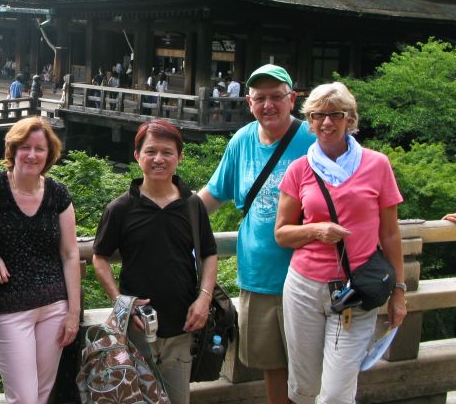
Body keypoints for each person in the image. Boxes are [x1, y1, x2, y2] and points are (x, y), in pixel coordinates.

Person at [275, 82, 406, 404]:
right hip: (304, 287)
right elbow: (282, 233)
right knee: (304, 386)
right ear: (310, 121)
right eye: (318, 115)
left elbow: (389, 233)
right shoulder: (299, 169)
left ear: (351, 120)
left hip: (356, 289)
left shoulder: (377, 165)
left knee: (335, 394)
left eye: (336, 114)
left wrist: (400, 291)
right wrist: (316, 230)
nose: (327, 123)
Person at [197, 64, 315, 404]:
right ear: (249, 102)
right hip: (259, 275)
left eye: (276, 97)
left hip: (310, 275)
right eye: (260, 98)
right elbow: (214, 194)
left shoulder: (314, 136)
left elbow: (356, 184)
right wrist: (166, 216)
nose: (268, 105)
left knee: (309, 368)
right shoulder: (243, 140)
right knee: (272, 365)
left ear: (292, 99)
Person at [93, 119, 218, 404]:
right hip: (136, 329)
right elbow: (100, 258)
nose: (158, 159)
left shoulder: (192, 205)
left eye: (167, 152)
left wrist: (204, 299)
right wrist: (120, 300)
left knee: (177, 399)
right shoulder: (121, 208)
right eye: (150, 152)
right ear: (137, 156)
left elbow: (209, 253)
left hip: (182, 327)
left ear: (179, 157)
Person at [0, 117, 80, 404]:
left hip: (54, 307)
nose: (32, 154)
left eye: (40, 149)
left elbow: (70, 253)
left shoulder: (57, 193)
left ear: (49, 155)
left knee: (41, 394)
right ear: (12, 150)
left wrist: (73, 312)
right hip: (8, 305)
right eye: (24, 147)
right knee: (24, 398)